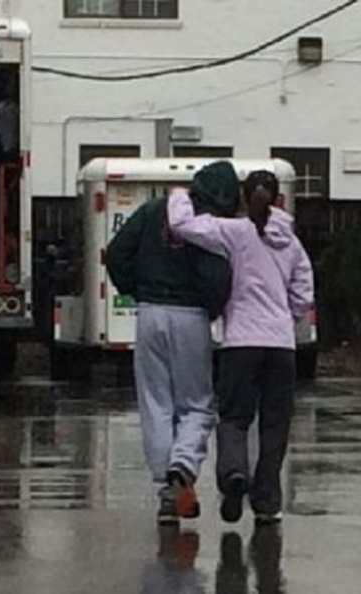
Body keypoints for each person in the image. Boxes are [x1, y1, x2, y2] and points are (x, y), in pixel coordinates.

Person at [167, 169, 314, 525]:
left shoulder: (234, 232)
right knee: (275, 424)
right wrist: (285, 317)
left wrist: (178, 195)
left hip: (241, 343)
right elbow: (303, 292)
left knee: (234, 417)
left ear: (245, 198)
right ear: (279, 199)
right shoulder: (292, 243)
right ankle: (267, 502)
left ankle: (234, 473)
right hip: (280, 346)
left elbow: (182, 225)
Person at [107, 161, 240, 524]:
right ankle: (183, 464)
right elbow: (217, 278)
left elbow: (117, 253)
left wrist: (136, 288)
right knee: (196, 403)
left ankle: (166, 491)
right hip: (191, 315)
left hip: (150, 312)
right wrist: (214, 309)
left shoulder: (153, 211)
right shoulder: (212, 226)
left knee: (156, 402)